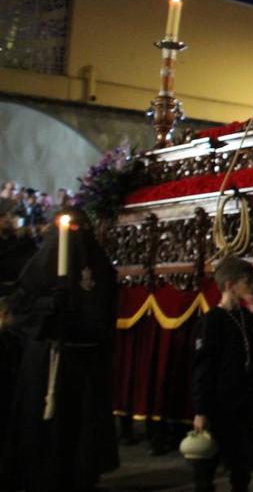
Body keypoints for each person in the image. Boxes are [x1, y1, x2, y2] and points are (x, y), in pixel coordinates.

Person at [0, 207, 119, 489]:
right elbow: (20, 310)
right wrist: (48, 307)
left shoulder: (100, 265)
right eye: (69, 228)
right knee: (48, 432)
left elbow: (107, 308)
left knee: (81, 429)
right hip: (48, 359)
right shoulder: (41, 265)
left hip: (86, 360)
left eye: (79, 228)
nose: (75, 234)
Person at [191, 257, 253, 492]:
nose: (252, 287)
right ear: (229, 285)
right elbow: (202, 369)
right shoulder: (211, 321)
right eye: (247, 283)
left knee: (240, 469)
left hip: (242, 404)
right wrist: (201, 410)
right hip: (217, 405)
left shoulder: (247, 318)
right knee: (206, 468)